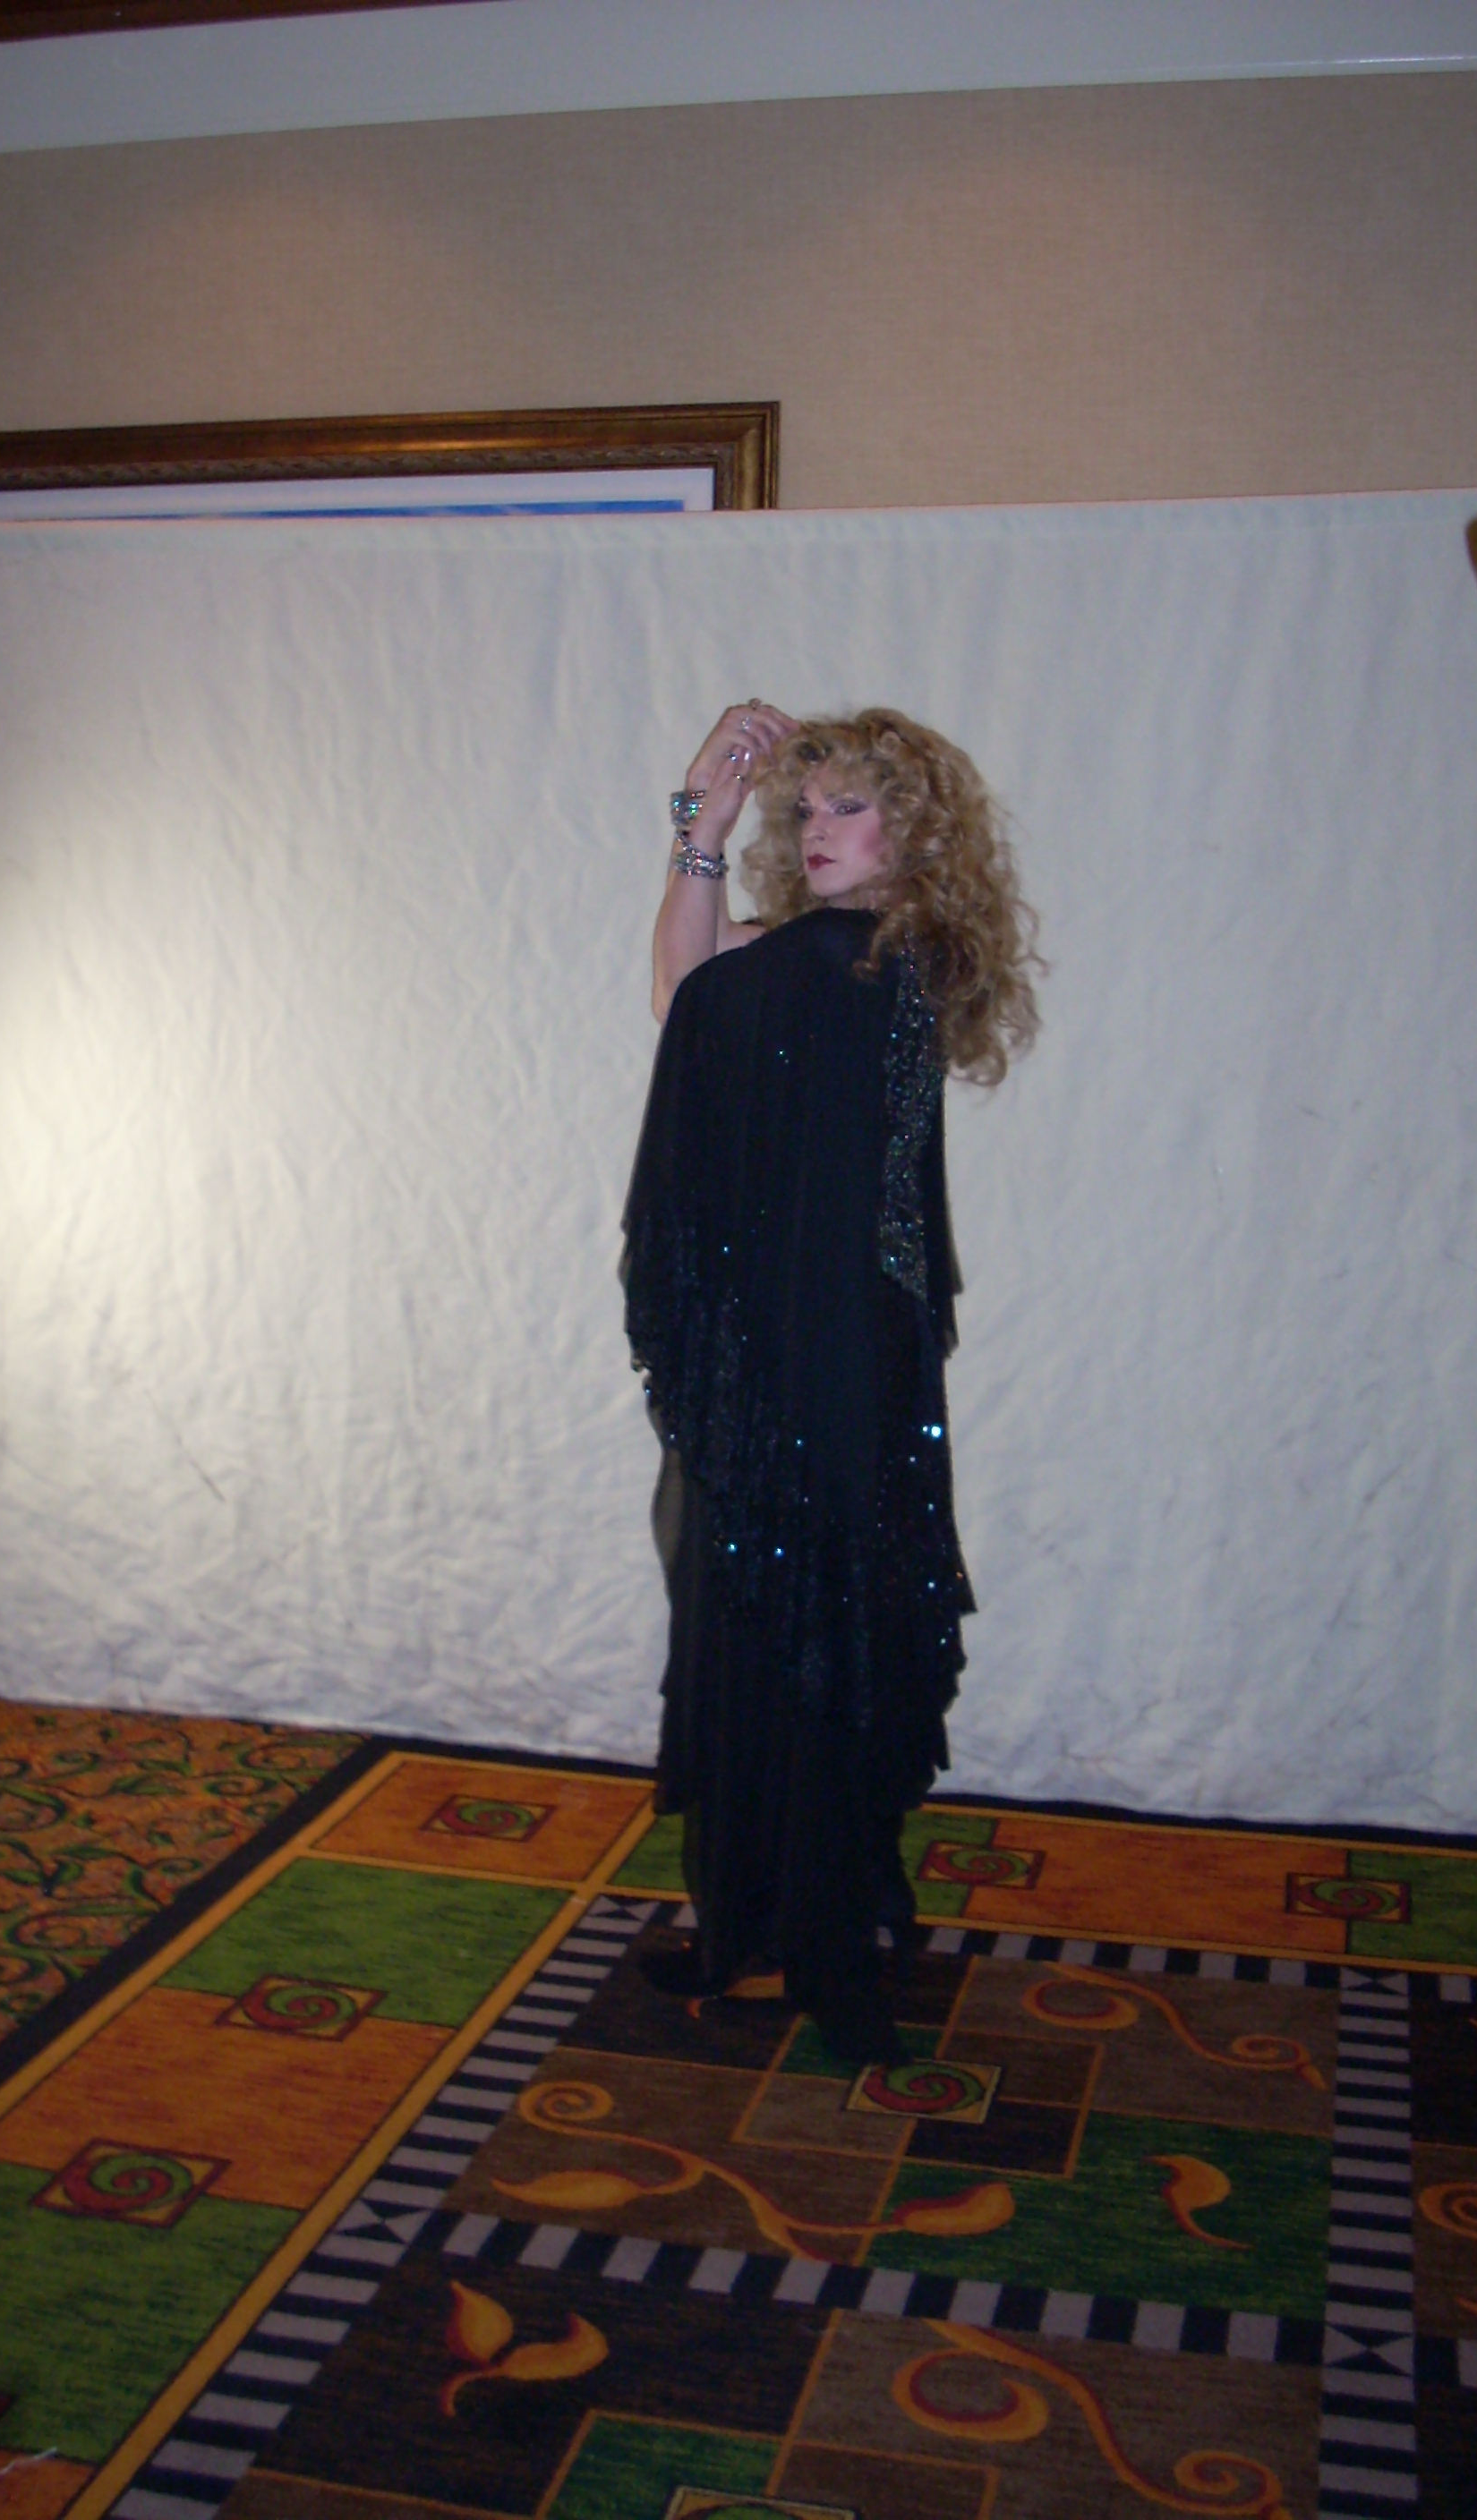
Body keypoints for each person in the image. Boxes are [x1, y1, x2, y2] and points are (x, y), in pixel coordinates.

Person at [621, 701, 1039, 2061]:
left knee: (805, 1617)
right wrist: (704, 829)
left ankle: (810, 1933)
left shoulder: (867, 960)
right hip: (811, 1341)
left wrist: (703, 833)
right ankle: (767, 1919)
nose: (816, 831)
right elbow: (691, 988)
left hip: (827, 1353)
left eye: (847, 808)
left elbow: (690, 996)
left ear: (910, 828)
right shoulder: (843, 954)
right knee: (772, 1611)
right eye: (806, 811)